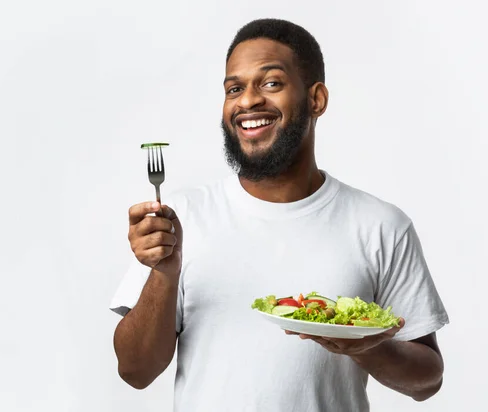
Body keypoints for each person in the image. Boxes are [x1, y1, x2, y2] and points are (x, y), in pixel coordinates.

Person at [110, 18, 449, 412]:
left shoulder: (380, 225)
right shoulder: (181, 217)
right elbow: (134, 371)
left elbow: (428, 381)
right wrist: (164, 274)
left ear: (316, 99)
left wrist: (366, 348)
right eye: (234, 88)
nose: (248, 101)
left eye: (270, 83)